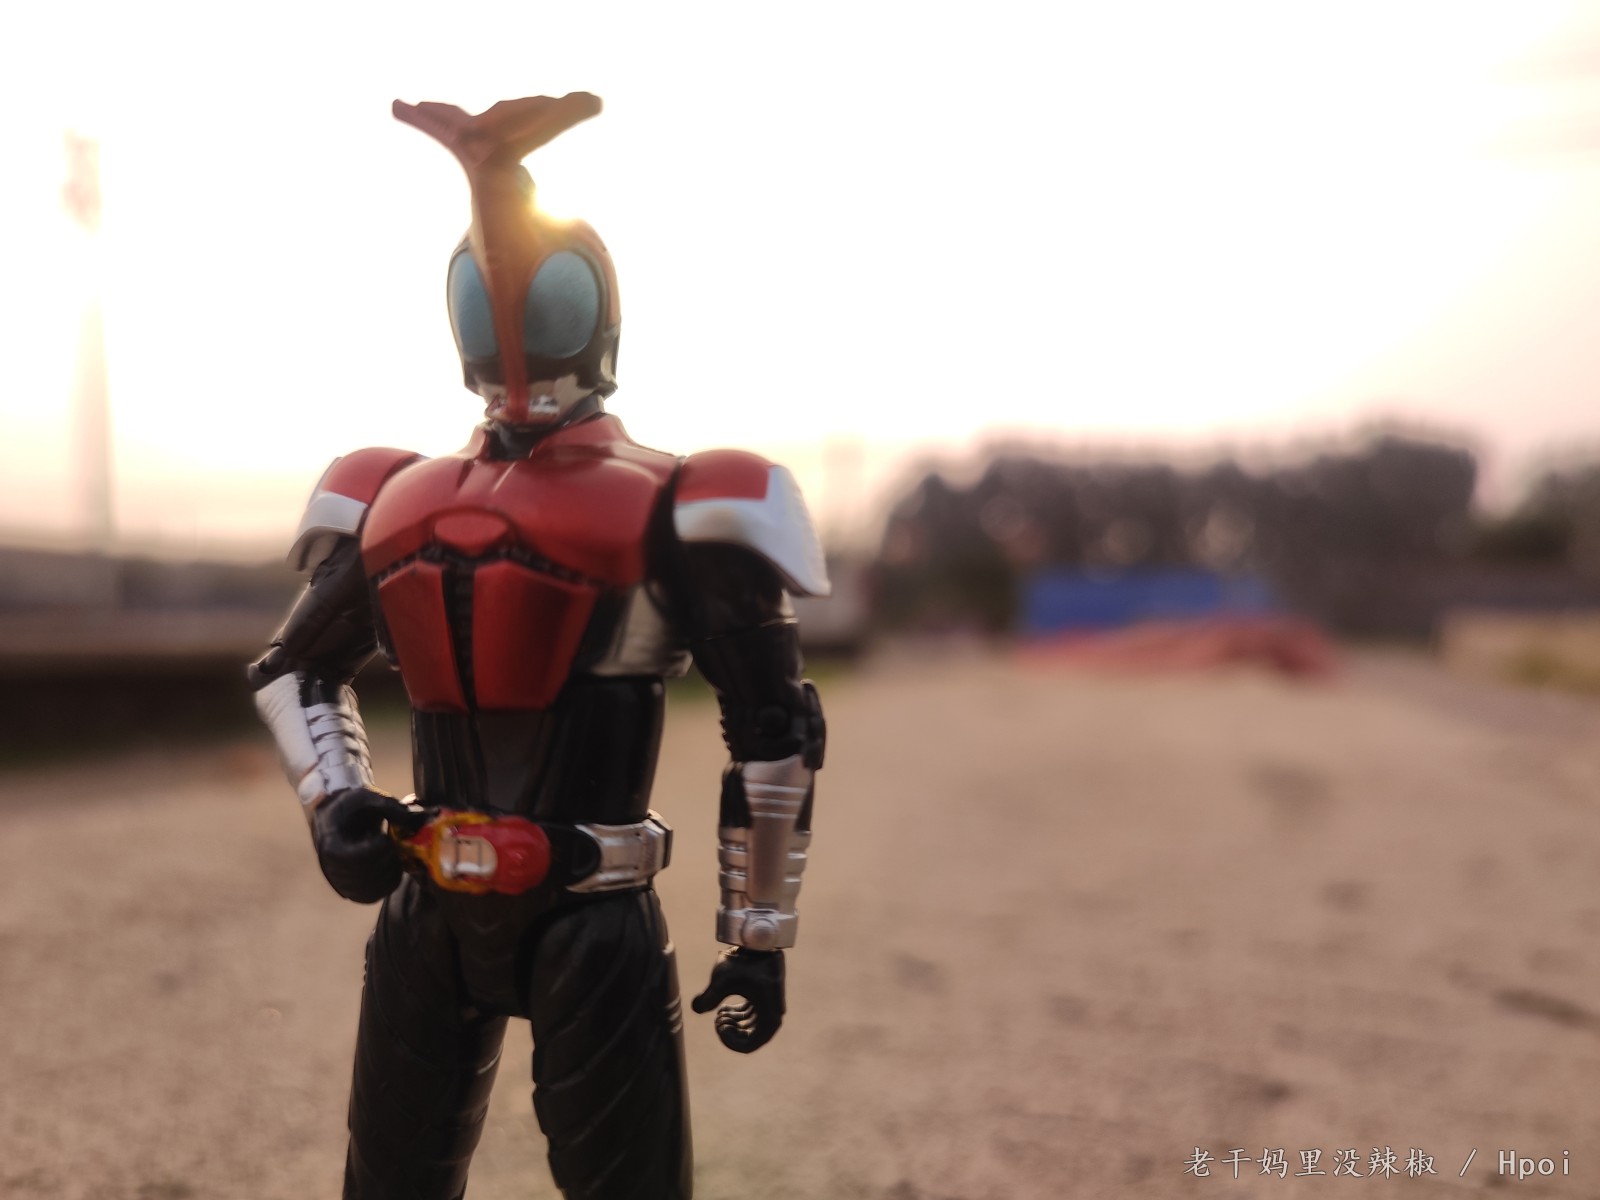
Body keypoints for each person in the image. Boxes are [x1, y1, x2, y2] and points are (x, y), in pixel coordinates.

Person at [248, 93, 828, 1200]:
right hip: (430, 903)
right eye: (486, 288)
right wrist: (335, 803)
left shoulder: (684, 502)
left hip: (591, 912)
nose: (510, 306)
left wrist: (759, 935)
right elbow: (293, 670)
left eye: (541, 287)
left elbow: (775, 731)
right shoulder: (391, 496)